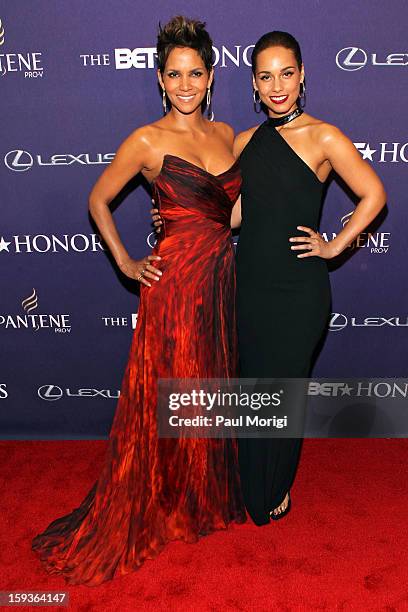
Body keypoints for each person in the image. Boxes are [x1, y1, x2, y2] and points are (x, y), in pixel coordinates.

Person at [31, 16, 246, 587]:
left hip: (219, 279)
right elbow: (98, 198)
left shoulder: (227, 135)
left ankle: (197, 496)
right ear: (159, 78)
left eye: (194, 73)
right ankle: (166, 502)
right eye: (173, 74)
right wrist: (127, 262)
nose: (184, 84)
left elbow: (233, 211)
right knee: (174, 387)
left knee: (207, 386)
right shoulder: (147, 140)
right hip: (172, 285)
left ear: (210, 76)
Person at [153, 31, 386, 526]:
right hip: (249, 285)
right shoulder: (245, 141)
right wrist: (184, 214)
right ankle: (250, 485)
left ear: (302, 76)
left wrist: (333, 245)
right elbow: (234, 216)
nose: (277, 85)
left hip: (299, 291)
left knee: (284, 391)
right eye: (265, 76)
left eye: (286, 73)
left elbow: (374, 195)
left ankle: (273, 488)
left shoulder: (324, 136)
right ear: (254, 85)